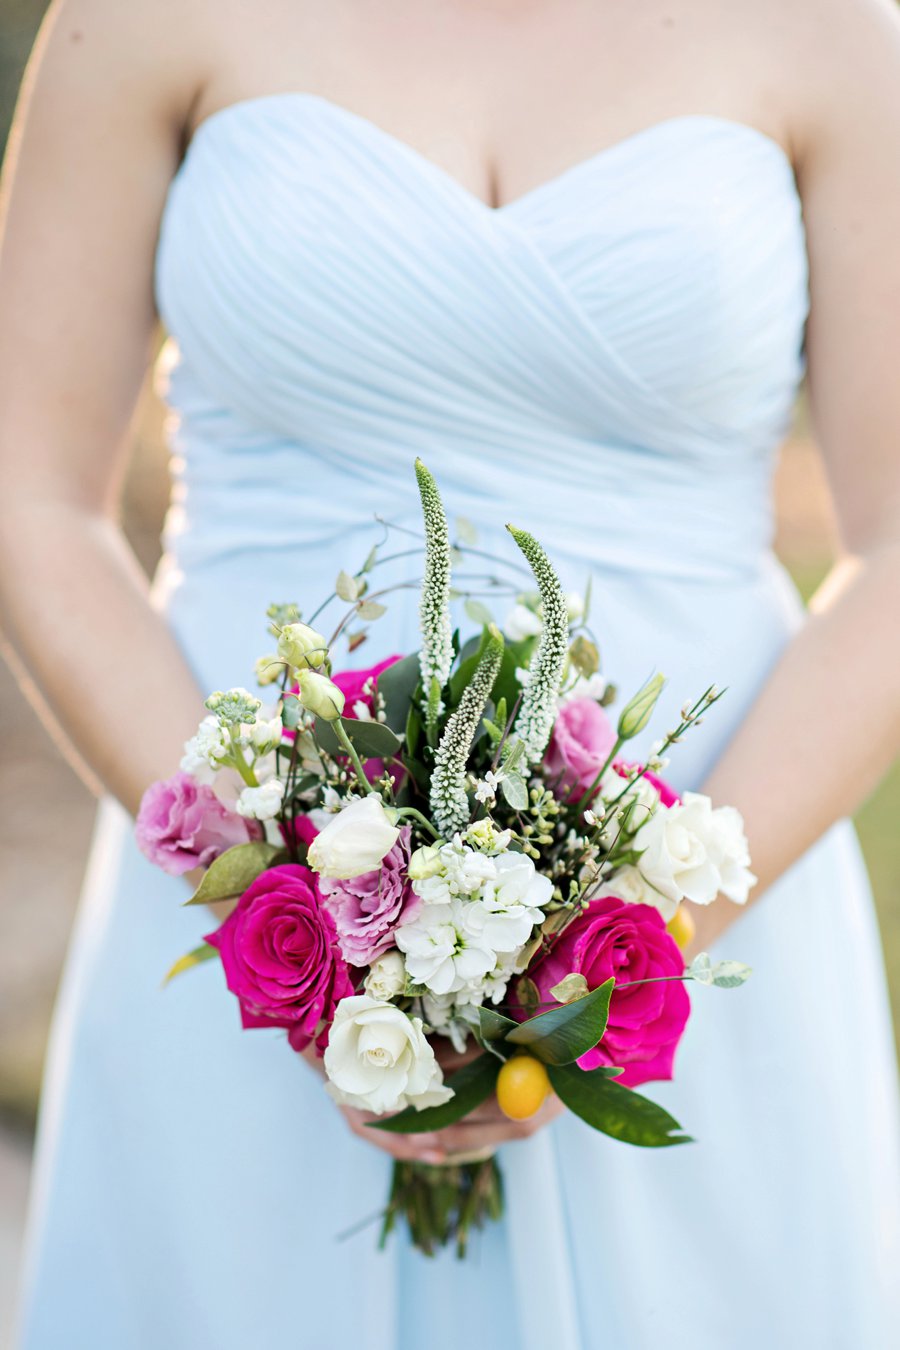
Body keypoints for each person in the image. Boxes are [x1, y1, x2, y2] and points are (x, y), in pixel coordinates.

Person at [2, 0, 900, 1345]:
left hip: (712, 920)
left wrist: (632, 949)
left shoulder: (837, 27)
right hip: (247, 952)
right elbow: (29, 489)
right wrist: (277, 906)